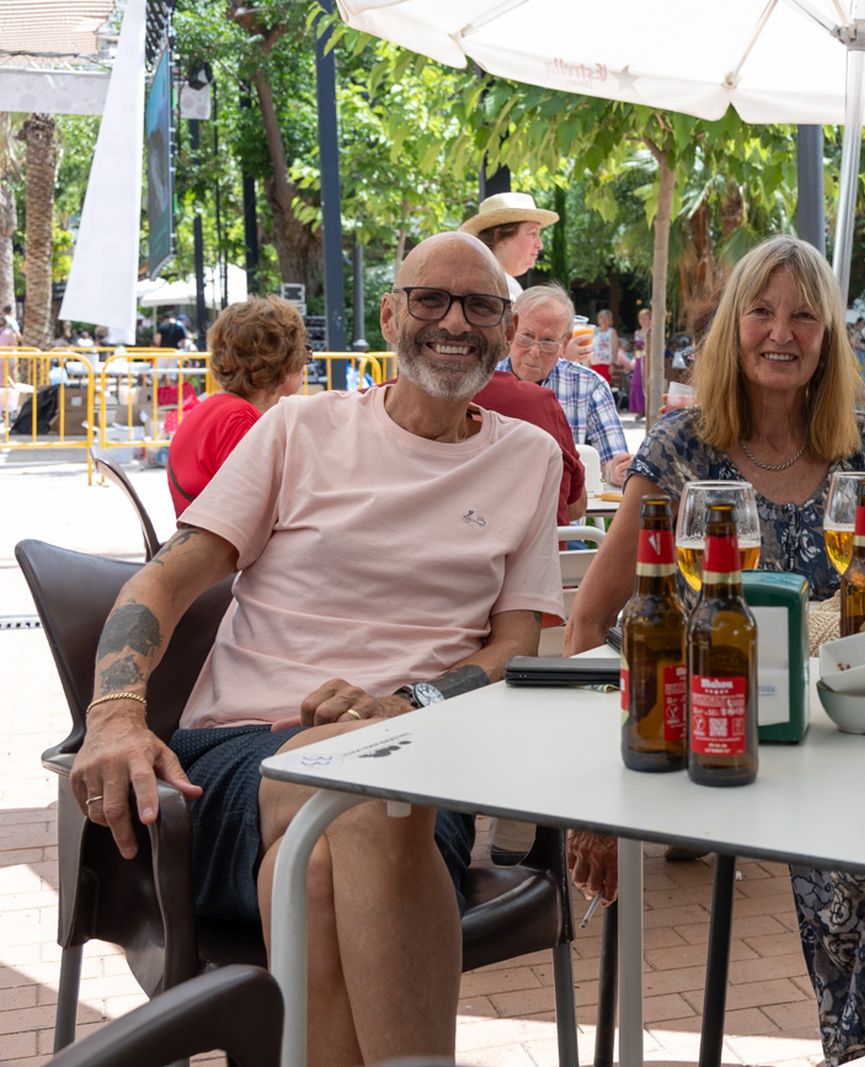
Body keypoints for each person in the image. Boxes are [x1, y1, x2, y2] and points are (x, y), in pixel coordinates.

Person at [66, 232, 566, 1066]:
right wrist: (114, 712)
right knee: (368, 783)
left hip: (418, 757)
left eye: (481, 304)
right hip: (236, 763)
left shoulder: (528, 457)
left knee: (320, 866)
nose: (455, 321)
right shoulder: (300, 428)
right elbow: (160, 583)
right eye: (431, 299)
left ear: (507, 327)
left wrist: (410, 704)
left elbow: (515, 647)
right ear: (391, 312)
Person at [566, 235, 865, 1067]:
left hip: (853, 748)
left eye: (804, 315)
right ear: (734, 327)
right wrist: (607, 782)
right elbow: (589, 622)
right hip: (727, 755)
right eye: (763, 312)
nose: (783, 331)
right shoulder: (680, 449)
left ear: (830, 337)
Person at [166, 296, 308, 516]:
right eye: (305, 352)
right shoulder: (240, 421)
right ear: (285, 365)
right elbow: (269, 513)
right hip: (224, 546)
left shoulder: (216, 408)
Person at [500, 285, 632, 488]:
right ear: (509, 331)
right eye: (526, 336)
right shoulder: (484, 379)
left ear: (565, 342)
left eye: (548, 341)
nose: (534, 351)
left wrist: (616, 470)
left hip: (561, 518)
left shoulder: (589, 386)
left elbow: (612, 461)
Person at [458, 191, 559, 299]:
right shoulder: (499, 291)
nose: (540, 245)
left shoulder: (484, 281)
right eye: (532, 233)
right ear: (500, 236)